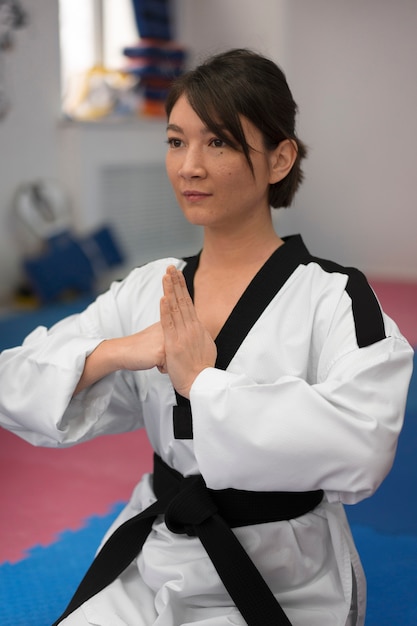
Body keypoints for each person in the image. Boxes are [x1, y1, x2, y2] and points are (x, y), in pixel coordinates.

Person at [0, 49, 413, 626]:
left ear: (279, 159)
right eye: (175, 141)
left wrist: (203, 384)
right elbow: (13, 381)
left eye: (217, 142)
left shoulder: (334, 298)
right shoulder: (151, 288)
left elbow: (364, 446)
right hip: (156, 552)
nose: (188, 166)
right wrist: (116, 351)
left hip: (286, 572)